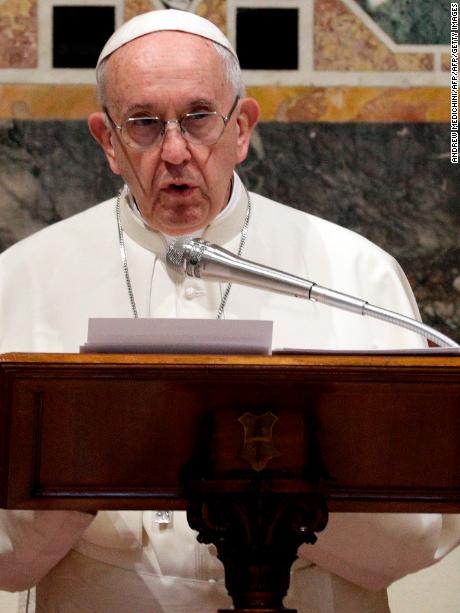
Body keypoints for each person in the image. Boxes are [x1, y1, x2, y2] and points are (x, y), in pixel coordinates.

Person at [0, 8, 458, 613]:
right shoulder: (22, 277)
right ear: (107, 142)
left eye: (198, 119)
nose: (174, 151)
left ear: (241, 126)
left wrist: (288, 486)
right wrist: (81, 467)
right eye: (142, 123)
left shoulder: (353, 271)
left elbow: (422, 533)